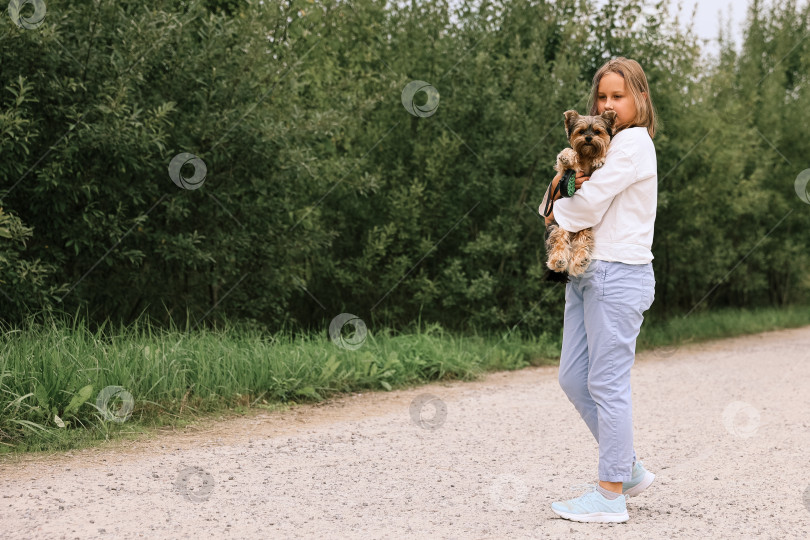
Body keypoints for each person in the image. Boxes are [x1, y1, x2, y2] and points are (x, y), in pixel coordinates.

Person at [543, 57, 659, 523]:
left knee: (607, 384)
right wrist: (556, 203)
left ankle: (610, 495)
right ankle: (627, 468)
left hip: (617, 273)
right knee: (574, 378)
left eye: (619, 95)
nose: (608, 102)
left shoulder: (631, 144)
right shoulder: (608, 143)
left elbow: (585, 203)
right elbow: (563, 190)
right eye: (603, 96)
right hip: (586, 271)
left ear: (640, 99)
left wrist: (554, 213)